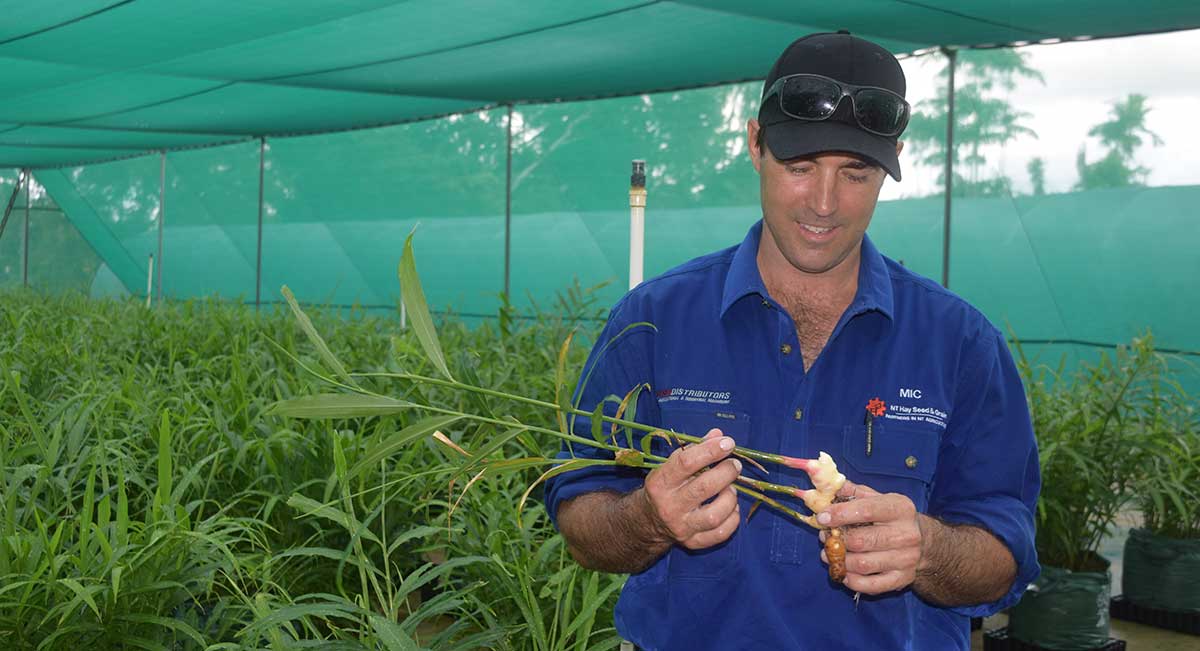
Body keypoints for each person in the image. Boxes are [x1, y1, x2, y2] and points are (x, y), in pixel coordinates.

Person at [543, 31, 1040, 650]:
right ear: (756, 144)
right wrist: (644, 519)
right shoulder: (653, 319)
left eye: (856, 173)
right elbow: (580, 513)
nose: (825, 204)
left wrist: (931, 550)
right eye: (799, 167)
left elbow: (1008, 548)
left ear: (891, 164)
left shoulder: (959, 341)